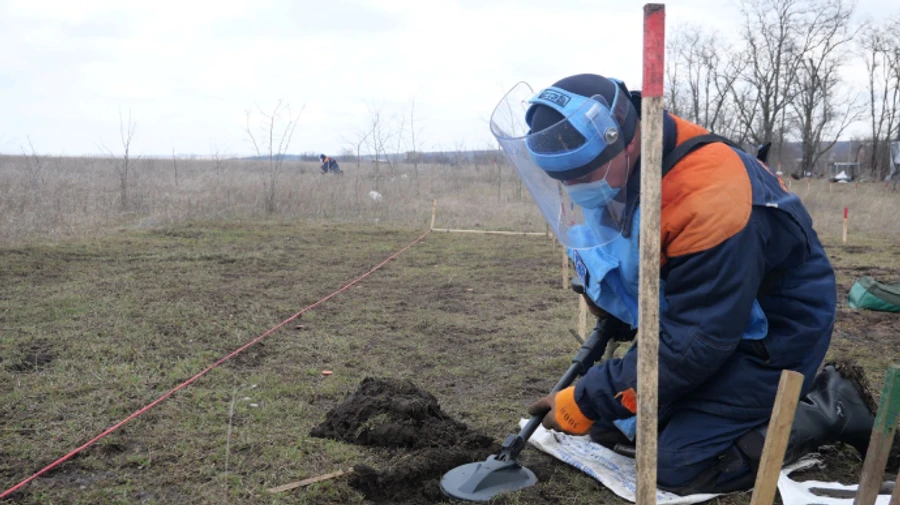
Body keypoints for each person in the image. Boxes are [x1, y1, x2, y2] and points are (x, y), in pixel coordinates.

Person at [489, 73, 875, 494]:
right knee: (613, 431)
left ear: (627, 139)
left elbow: (698, 341)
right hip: (701, 320)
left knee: (675, 467)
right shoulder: (628, 171)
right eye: (565, 178)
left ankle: (828, 407)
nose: (575, 186)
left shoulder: (710, 194)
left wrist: (585, 397)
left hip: (770, 335)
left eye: (585, 173)